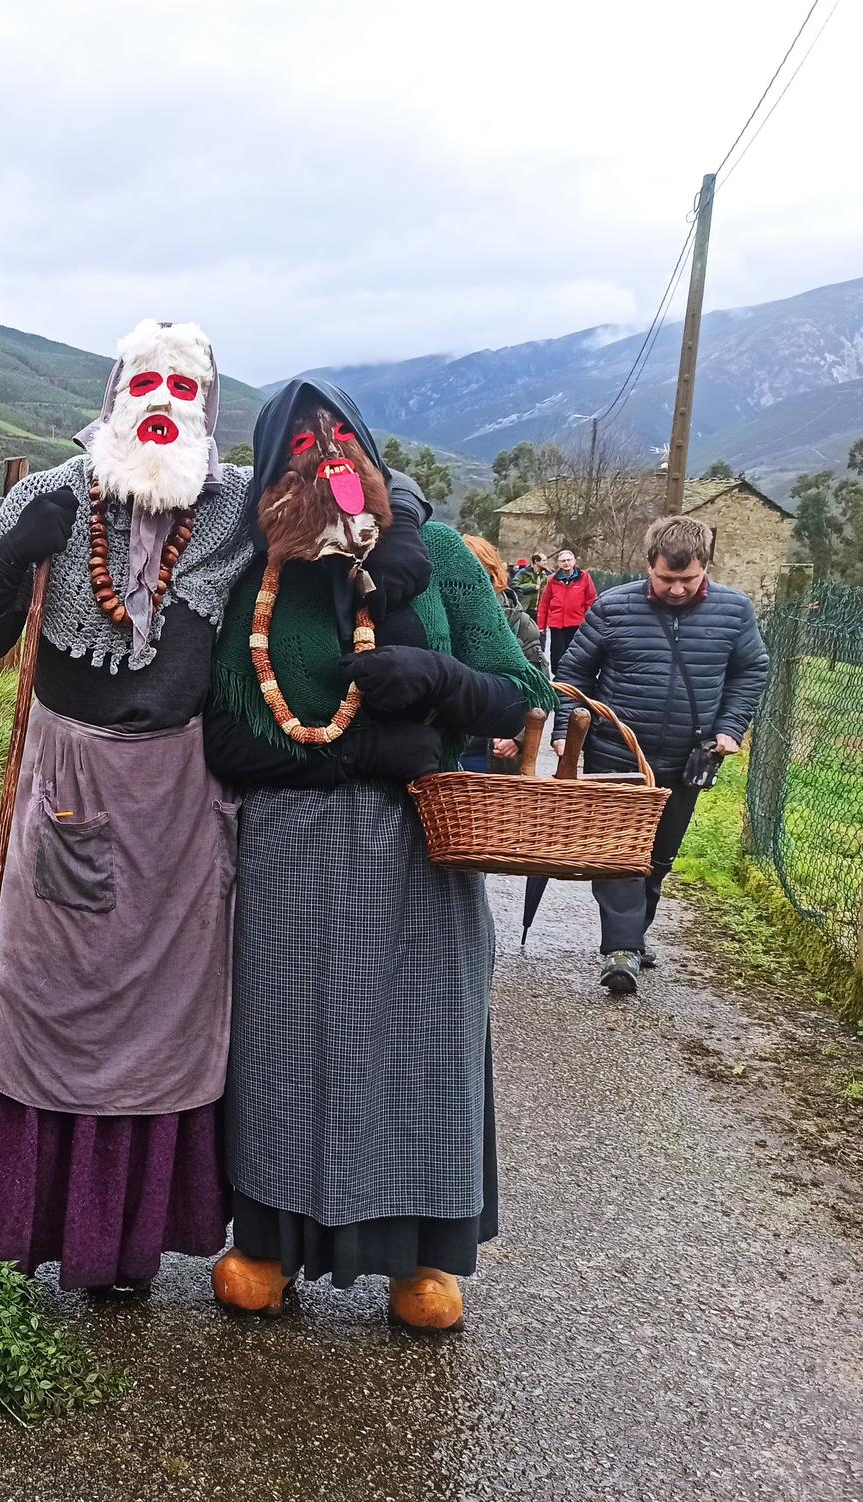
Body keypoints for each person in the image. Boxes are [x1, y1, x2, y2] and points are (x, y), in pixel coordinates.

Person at [0, 324, 434, 1294]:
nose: (160, 400)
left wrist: (394, 521)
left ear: (204, 409)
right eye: (142, 382)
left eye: (180, 386)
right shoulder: (47, 500)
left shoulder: (237, 504)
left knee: (159, 1030)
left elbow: (372, 488)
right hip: (62, 797)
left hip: (183, 814)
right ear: (112, 397)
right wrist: (1, 571)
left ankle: (118, 1254)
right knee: (40, 1005)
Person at [203, 379, 555, 1330]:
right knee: (285, 1049)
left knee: (421, 1046)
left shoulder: (438, 556)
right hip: (289, 856)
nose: (323, 461)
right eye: (299, 448)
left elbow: (525, 692)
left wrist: (439, 680)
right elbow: (226, 735)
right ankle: (271, 1246)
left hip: (421, 853)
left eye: (339, 441)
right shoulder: (254, 577)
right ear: (270, 472)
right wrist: (351, 750)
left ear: (367, 451)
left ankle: (417, 1264)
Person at [556, 516, 769, 994]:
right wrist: (566, 731)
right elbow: (574, 675)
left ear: (706, 568)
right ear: (648, 565)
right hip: (617, 755)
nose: (676, 589)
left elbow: (750, 672)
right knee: (617, 853)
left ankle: (634, 933)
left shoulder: (735, 612)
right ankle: (622, 950)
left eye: (687, 579)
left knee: (659, 855)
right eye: (666, 578)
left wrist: (730, 728)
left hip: (687, 759)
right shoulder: (613, 608)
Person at [463, 534, 548, 773]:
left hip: (493, 759)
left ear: (491, 574)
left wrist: (518, 738)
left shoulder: (520, 625)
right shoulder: (441, 620)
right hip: (445, 755)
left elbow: (540, 692)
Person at [538, 547, 597, 671]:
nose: (566, 563)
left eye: (568, 560)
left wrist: (588, 621)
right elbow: (544, 604)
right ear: (558, 563)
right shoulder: (552, 580)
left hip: (577, 623)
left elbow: (590, 600)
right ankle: (558, 679)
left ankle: (574, 677)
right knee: (557, 655)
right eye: (563, 561)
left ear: (574, 561)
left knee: (576, 653)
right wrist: (541, 626)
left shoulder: (584, 577)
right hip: (557, 624)